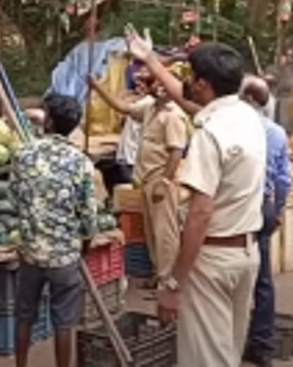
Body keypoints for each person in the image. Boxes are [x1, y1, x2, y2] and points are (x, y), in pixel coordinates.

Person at [127, 32, 266, 367]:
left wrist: (175, 282)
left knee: (205, 357)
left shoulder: (209, 135)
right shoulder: (248, 117)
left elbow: (200, 214)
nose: (185, 83)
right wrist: (150, 60)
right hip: (246, 254)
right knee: (227, 353)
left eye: (189, 76)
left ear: (204, 84)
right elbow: (186, 99)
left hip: (213, 259)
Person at [11, 93, 98, 367]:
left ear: (47, 120)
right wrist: (85, 243)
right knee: (65, 321)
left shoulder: (23, 154)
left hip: (30, 252)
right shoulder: (80, 161)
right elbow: (88, 215)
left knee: (24, 315)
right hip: (64, 256)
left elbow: (14, 197)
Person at [89, 70, 190, 288]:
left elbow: (176, 152)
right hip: (146, 179)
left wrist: (164, 182)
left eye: (166, 85)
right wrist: (98, 88)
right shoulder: (150, 107)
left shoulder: (173, 115)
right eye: (156, 84)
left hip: (162, 180)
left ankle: (167, 279)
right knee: (153, 231)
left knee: (165, 232)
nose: (161, 89)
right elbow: (122, 108)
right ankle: (159, 272)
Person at [240, 75, 292, 367]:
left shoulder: (235, 129)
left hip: (241, 207)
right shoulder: (277, 133)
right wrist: (280, 209)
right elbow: (284, 179)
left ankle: (235, 340)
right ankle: (262, 344)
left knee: (231, 269)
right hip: (266, 205)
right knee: (262, 278)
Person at [114, 66, 155, 184]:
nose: (138, 85)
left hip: (132, 159)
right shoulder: (141, 101)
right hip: (128, 156)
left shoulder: (147, 103)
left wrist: (97, 87)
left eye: (143, 82)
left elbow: (120, 107)